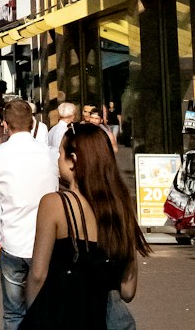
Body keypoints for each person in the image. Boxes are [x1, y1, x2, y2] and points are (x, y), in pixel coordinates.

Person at [22, 122, 150, 328]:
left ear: (73, 160)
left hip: (65, 317)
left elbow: (38, 275)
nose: (57, 160)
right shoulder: (121, 207)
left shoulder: (55, 204)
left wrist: (33, 315)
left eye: (60, 153)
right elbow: (128, 290)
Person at [0, 97, 59, 330]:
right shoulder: (51, 155)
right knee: (47, 309)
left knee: (13, 313)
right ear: (33, 123)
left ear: (6, 125)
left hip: (13, 244)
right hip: (48, 245)